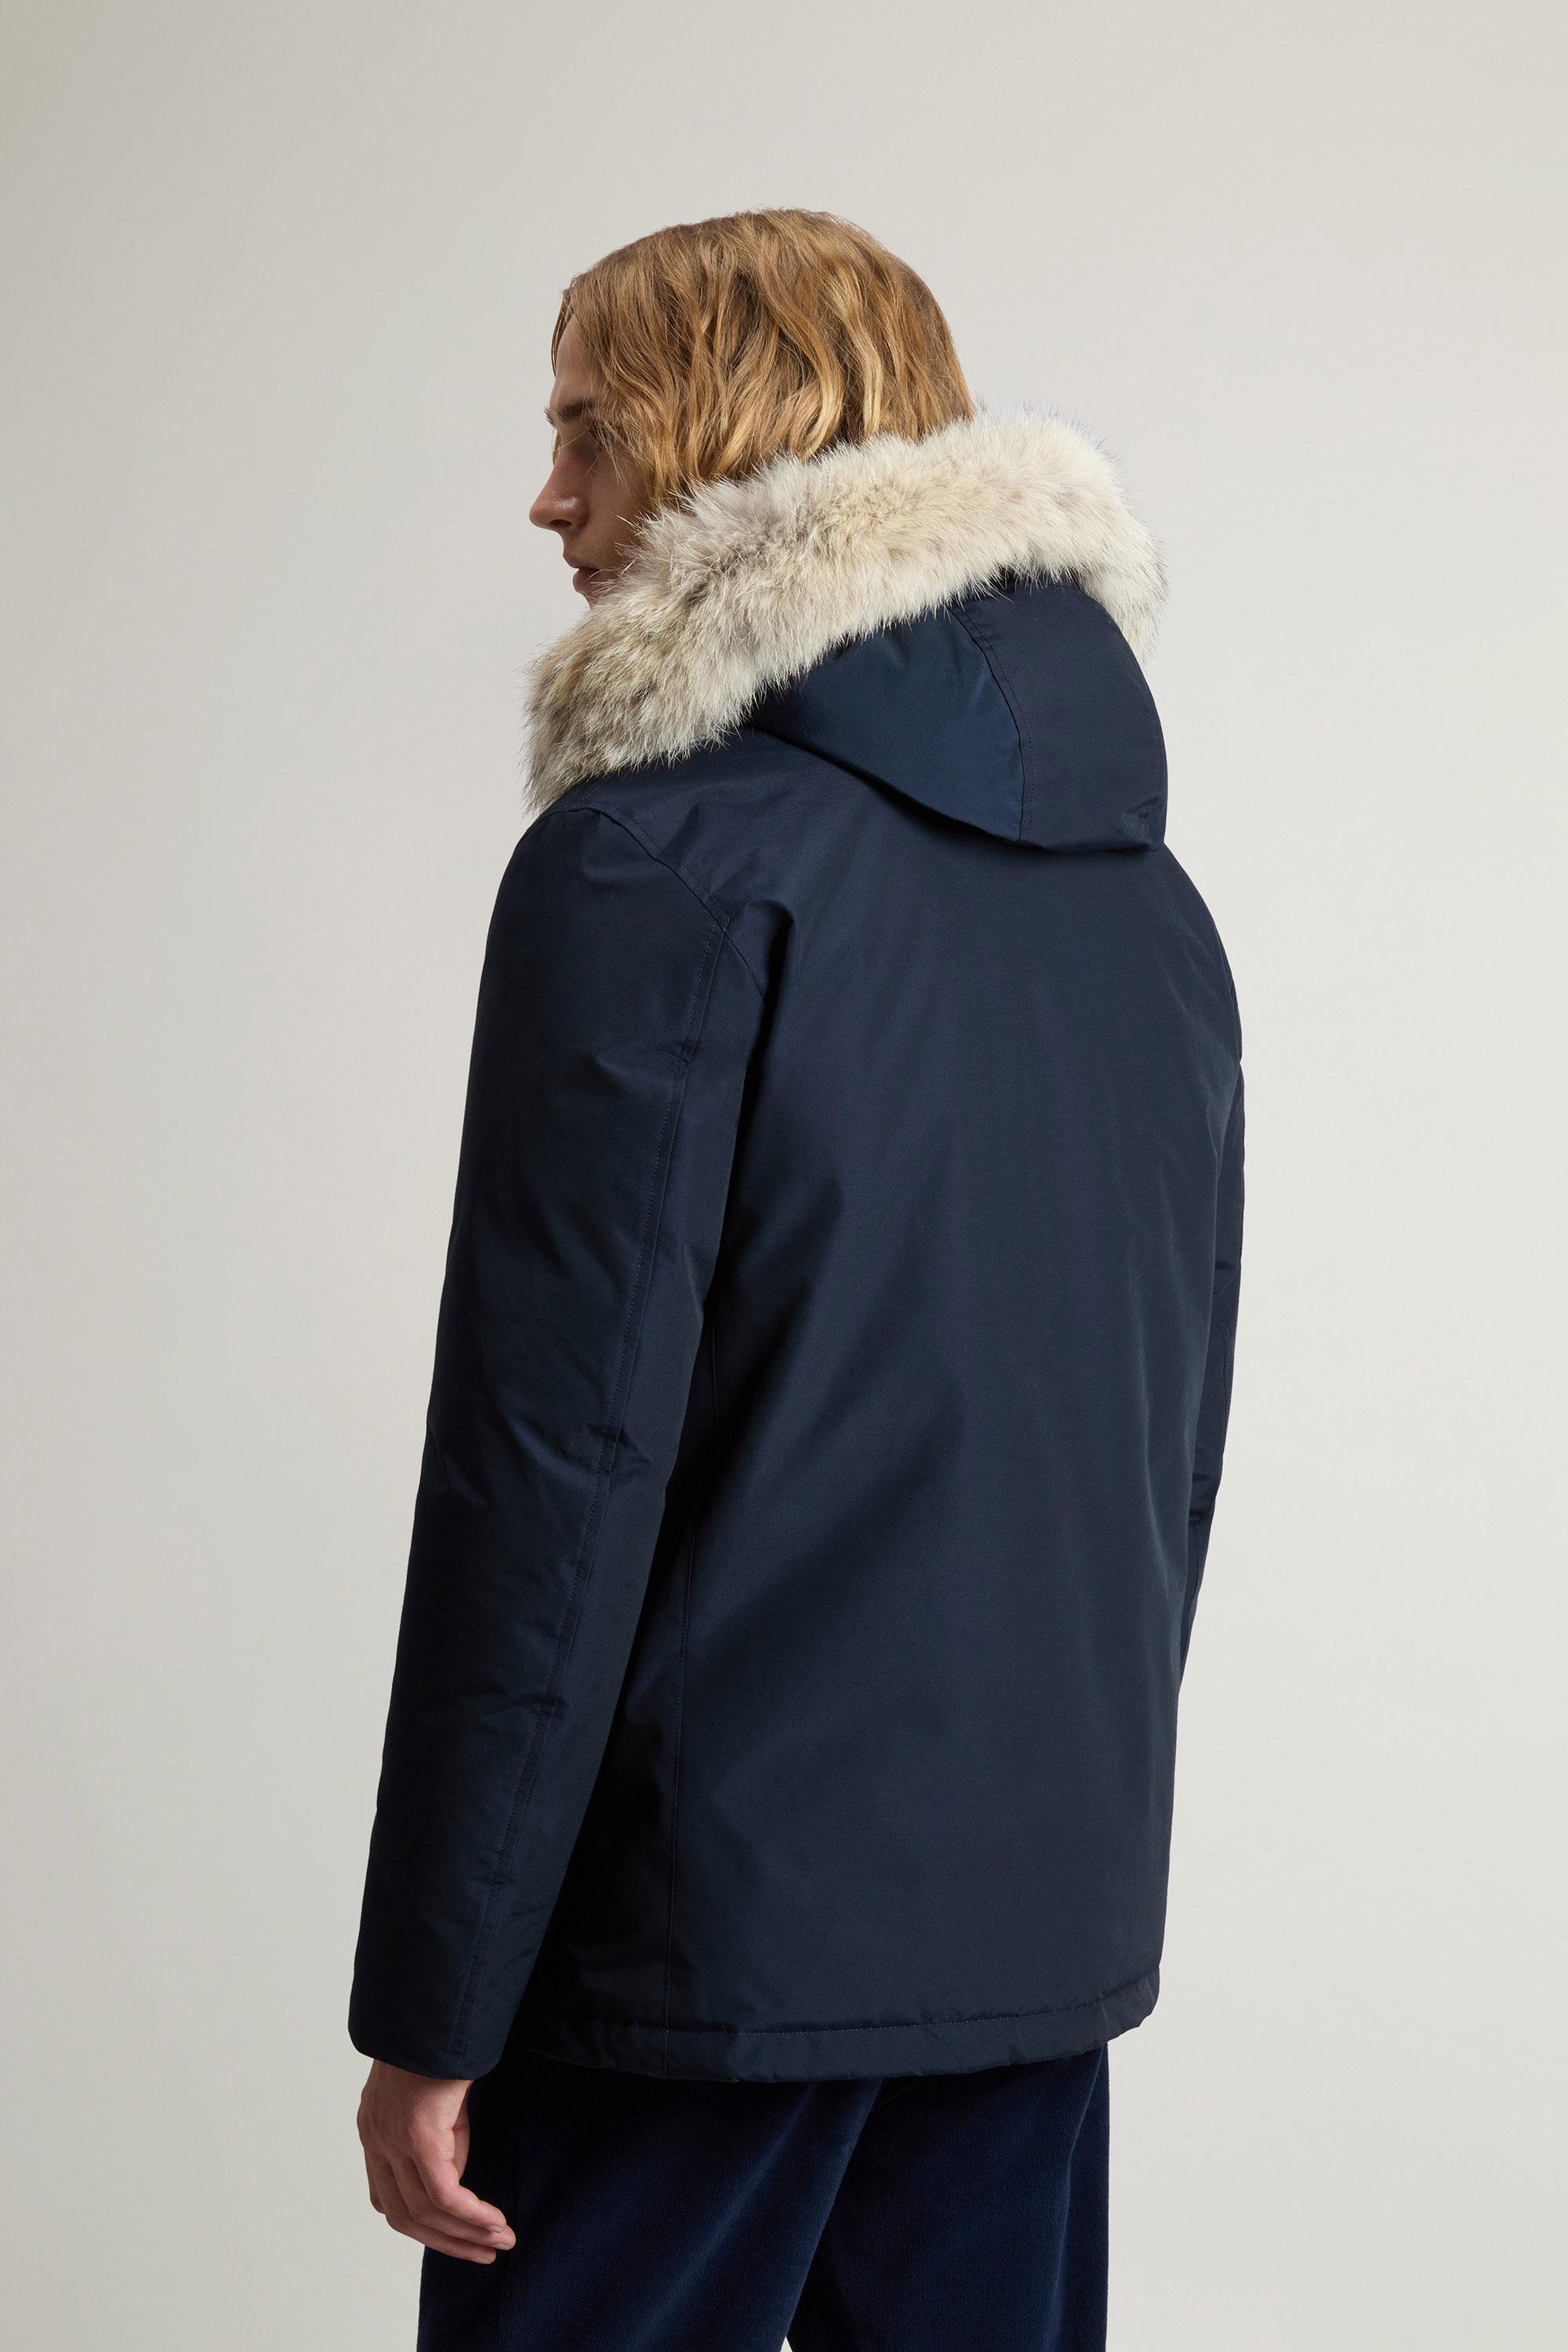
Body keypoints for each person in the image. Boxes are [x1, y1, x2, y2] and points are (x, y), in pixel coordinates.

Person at [349, 209, 1243, 2351]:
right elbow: (1164, 1441)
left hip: (697, 1949)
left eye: (590, 432)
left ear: (723, 433)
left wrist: (436, 2004)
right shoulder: (1151, 905)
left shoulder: (651, 862)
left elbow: (554, 1468)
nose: (551, 497)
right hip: (1028, 1919)